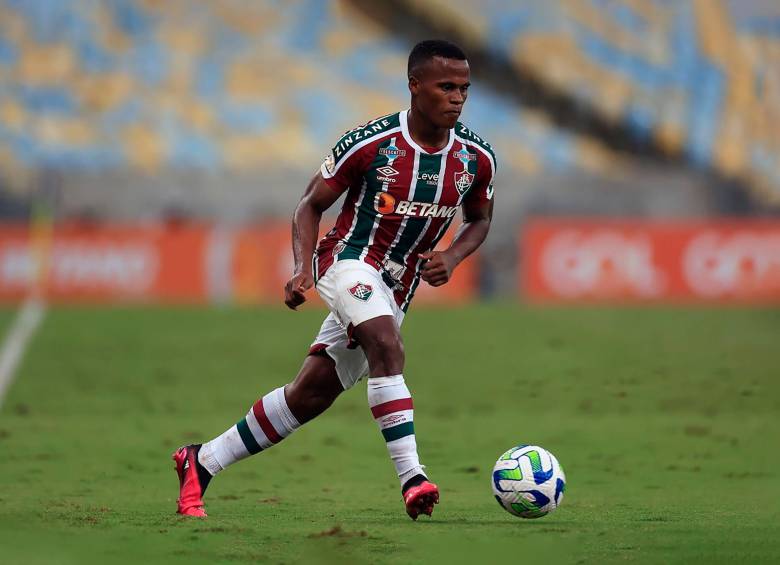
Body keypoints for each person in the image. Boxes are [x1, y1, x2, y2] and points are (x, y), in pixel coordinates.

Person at [173, 39, 496, 520]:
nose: (457, 97)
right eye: (446, 86)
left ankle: (202, 461)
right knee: (387, 347)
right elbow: (310, 205)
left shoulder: (476, 157)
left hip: (399, 286)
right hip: (348, 261)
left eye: (464, 89)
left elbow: (480, 219)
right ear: (415, 86)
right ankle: (413, 478)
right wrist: (303, 267)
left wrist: (452, 255)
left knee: (311, 394)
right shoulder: (371, 143)